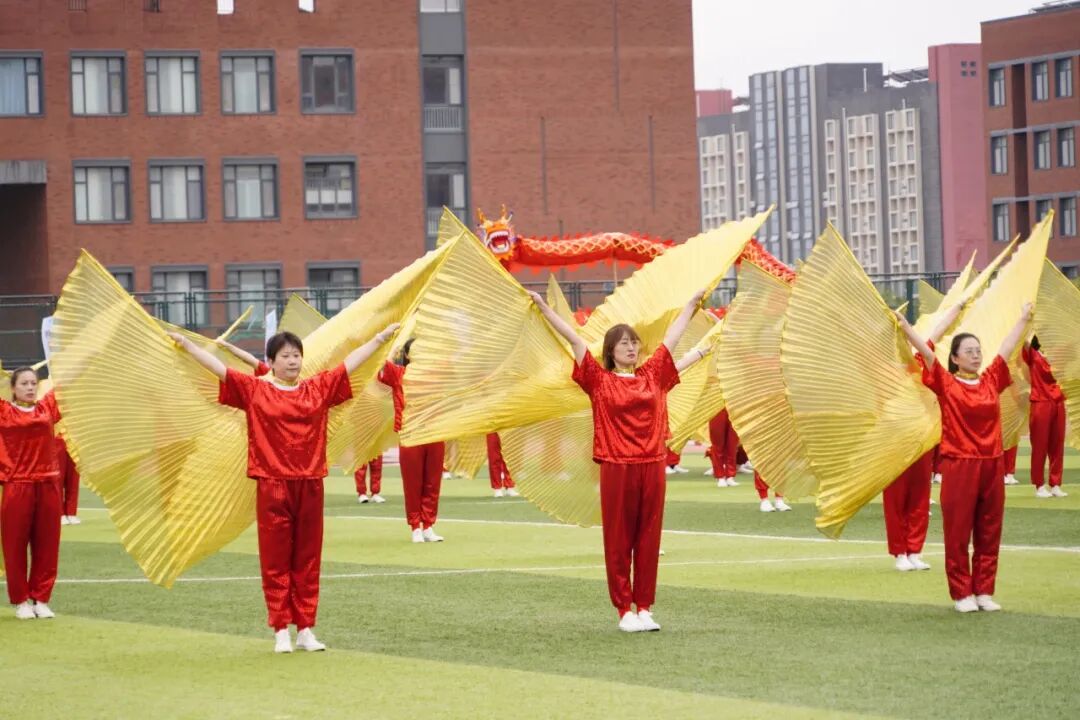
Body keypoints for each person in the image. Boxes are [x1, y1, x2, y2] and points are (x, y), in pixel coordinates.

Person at [169, 324, 398, 653]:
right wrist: (188, 346)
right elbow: (220, 370)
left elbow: (349, 365)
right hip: (272, 485)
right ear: (272, 361)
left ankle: (305, 628)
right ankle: (280, 630)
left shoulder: (316, 389)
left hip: (310, 485)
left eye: (296, 356)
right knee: (275, 560)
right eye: (286, 356)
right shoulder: (255, 389)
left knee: (308, 559)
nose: (293, 361)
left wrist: (378, 339)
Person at [530, 288, 708, 633]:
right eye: (623, 343)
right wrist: (542, 309)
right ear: (610, 350)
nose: (631, 347)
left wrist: (690, 305)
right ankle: (624, 609)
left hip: (652, 463)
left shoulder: (652, 375)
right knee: (618, 538)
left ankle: (645, 607)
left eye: (634, 342)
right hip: (616, 465)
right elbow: (574, 340)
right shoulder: (598, 380)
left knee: (649, 538)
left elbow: (672, 340)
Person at [896, 303, 1032, 613]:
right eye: (968, 351)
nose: (975, 355)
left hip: (992, 463)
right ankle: (961, 593)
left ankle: (984, 590)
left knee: (990, 530)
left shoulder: (990, 380)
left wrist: (1024, 318)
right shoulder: (946, 383)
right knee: (958, 532)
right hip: (959, 465)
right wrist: (906, 328)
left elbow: (1007, 346)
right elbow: (927, 354)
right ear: (955, 358)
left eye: (978, 351)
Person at [1, 367, 63, 620]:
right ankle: (21, 601)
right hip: (17, 485)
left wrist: (92, 352)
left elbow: (70, 382)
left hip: (48, 484)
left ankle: (41, 598)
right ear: (13, 388)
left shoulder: (46, 408)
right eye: (24, 383)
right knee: (14, 545)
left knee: (48, 544)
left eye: (33, 383)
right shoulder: (4, 411)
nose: (29, 387)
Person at [380, 339, 446, 543]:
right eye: (415, 349)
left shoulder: (435, 375)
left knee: (432, 482)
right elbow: (381, 363)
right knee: (413, 483)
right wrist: (396, 345)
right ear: (407, 355)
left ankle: (429, 526)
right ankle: (415, 526)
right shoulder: (398, 374)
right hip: (410, 435)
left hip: (434, 433)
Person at [1023, 336, 1067, 499]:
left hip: (1058, 402)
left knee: (1057, 445)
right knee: (1039, 446)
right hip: (1040, 403)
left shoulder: (1058, 356)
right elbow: (1024, 340)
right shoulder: (1033, 354)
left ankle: (1055, 484)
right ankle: (1039, 485)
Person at [705, 410, 740, 487]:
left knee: (732, 445)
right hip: (717, 409)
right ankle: (720, 476)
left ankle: (730, 476)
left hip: (734, 408)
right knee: (717, 444)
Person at [57, 437, 81, 525]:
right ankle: (59, 513)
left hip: (75, 442)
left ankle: (71, 512)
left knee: (74, 479)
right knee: (58, 480)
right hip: (57, 440)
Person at [486, 432, 519, 498]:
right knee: (494, 457)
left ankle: (509, 486)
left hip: (507, 429)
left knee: (509, 457)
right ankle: (497, 488)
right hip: (492, 428)